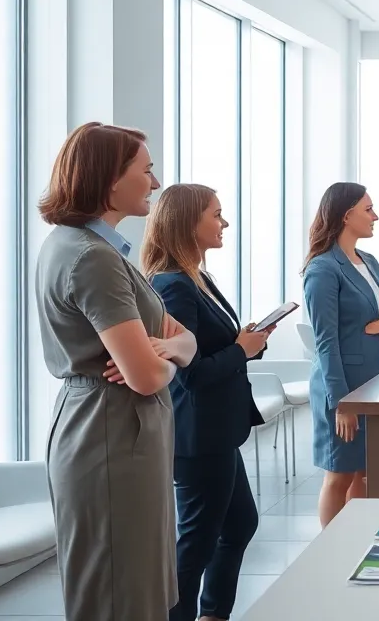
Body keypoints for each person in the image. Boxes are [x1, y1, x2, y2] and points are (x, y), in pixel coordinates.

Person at [34, 122, 197, 621]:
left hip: (117, 428)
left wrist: (168, 351)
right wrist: (164, 359)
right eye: (145, 171)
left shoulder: (92, 249)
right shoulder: (92, 259)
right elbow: (146, 376)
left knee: (136, 582)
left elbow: (183, 339)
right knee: (118, 592)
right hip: (110, 432)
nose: (154, 182)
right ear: (110, 182)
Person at [140, 184, 268, 621]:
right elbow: (189, 374)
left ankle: (213, 613)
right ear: (186, 222)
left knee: (239, 525)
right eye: (216, 215)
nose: (224, 223)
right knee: (195, 544)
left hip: (218, 431)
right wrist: (241, 351)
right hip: (197, 436)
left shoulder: (197, 277)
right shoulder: (172, 285)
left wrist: (245, 342)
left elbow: (210, 346)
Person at [302, 183, 379, 527]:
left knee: (366, 475)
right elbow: (326, 344)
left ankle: (354, 542)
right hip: (345, 391)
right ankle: (329, 553)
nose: (375, 216)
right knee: (340, 476)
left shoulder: (371, 262)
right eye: (368, 209)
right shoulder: (323, 269)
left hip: (376, 389)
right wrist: (342, 404)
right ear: (346, 215)